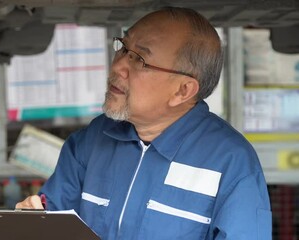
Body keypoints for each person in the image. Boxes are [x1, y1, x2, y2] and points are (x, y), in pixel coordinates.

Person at [16, 6, 272, 240]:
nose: (118, 66)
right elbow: (53, 217)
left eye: (139, 59)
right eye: (123, 48)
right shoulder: (95, 137)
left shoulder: (230, 161)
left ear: (183, 90)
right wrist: (34, 220)